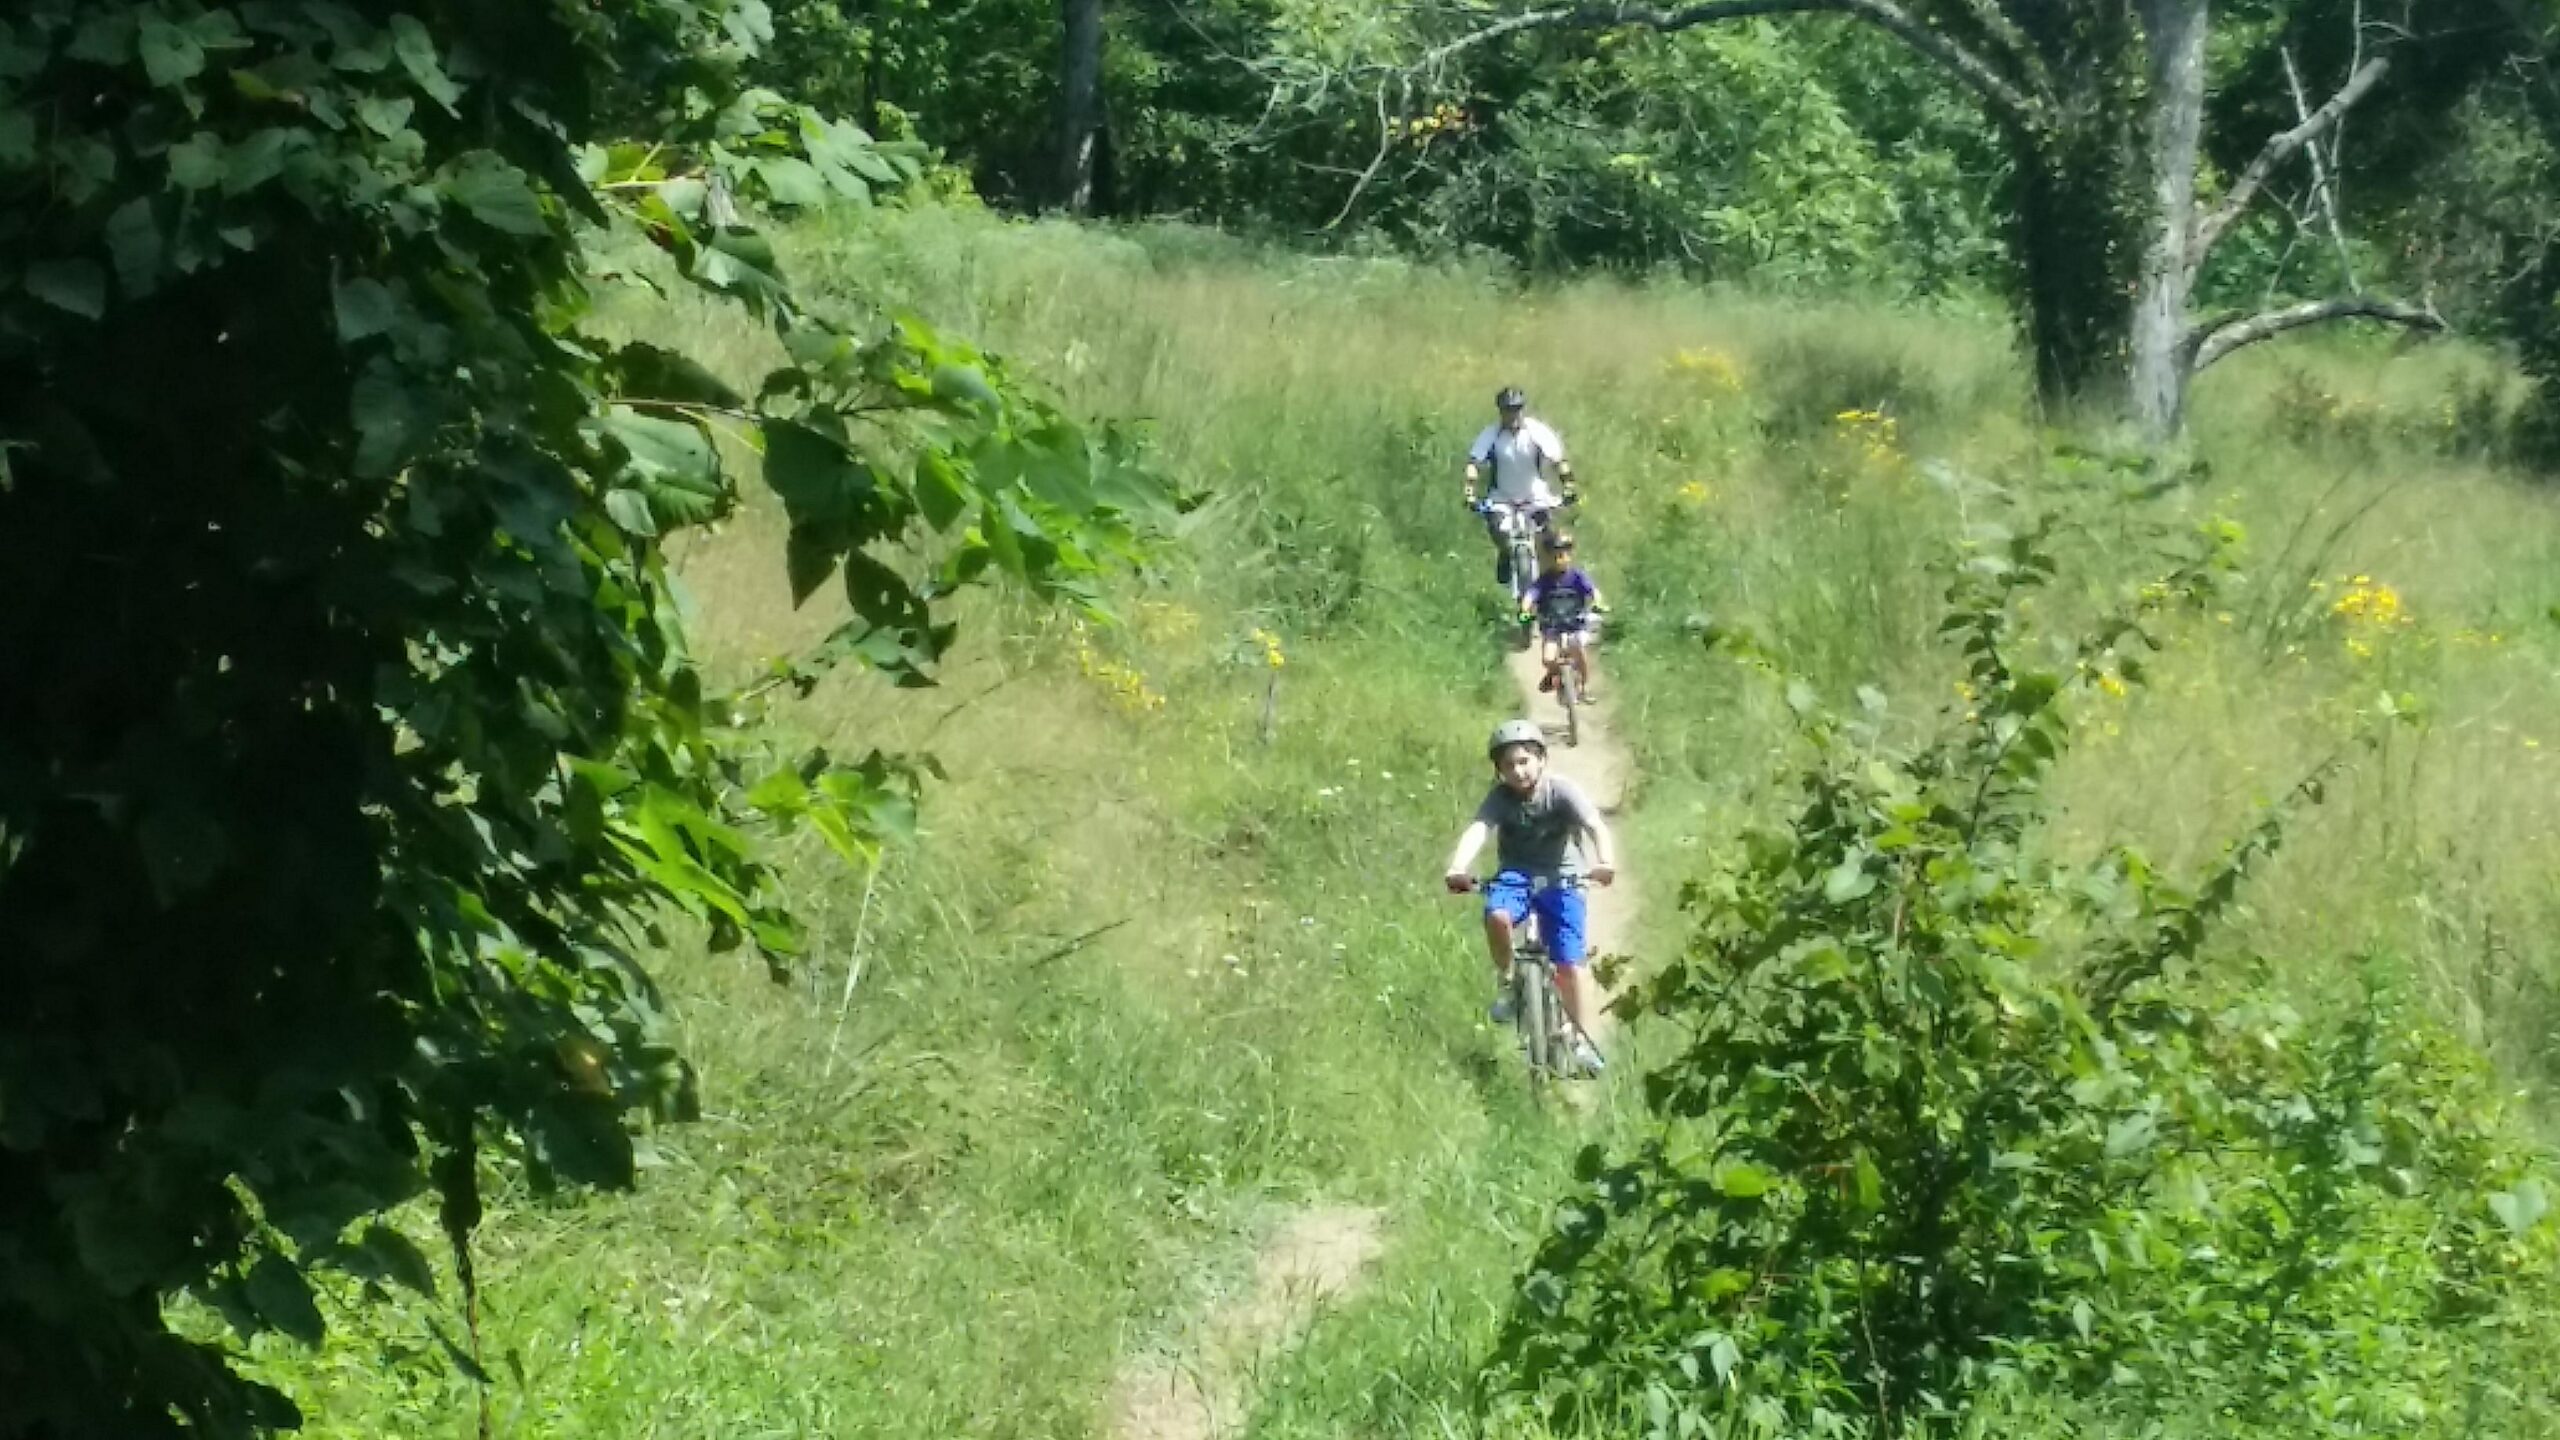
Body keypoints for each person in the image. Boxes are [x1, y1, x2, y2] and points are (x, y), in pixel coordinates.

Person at [1442, 719, 1617, 1072]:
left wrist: (1605, 861)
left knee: (1569, 964)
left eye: (1524, 761)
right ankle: (1508, 983)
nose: (1518, 771)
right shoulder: (1500, 799)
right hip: (1515, 876)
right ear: (1499, 771)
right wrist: (1458, 866)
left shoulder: (1561, 792)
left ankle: (1580, 1039)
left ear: (1541, 760)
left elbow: (1594, 825)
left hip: (1564, 876)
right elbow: (1479, 829)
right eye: (1508, 765)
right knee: (1497, 915)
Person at [1463, 387, 1573, 586]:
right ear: (1500, 411)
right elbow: (1474, 463)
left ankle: (1550, 587)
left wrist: (1568, 485)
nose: (1512, 415)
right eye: (1508, 410)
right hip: (1502, 496)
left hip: (1535, 495)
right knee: (1496, 526)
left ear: (1522, 410)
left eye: (1516, 410)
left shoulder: (1537, 432)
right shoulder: (1492, 434)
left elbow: (1558, 460)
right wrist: (1469, 492)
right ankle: (1505, 553)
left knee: (1546, 538)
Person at [1521, 528, 1604, 702]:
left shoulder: (1577, 577)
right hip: (1552, 626)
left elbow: (1592, 590)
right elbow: (1530, 595)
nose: (1559, 559)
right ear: (1548, 558)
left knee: (1578, 648)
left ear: (1569, 555)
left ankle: (1584, 687)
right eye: (1555, 555)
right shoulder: (1544, 581)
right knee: (1548, 658)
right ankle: (1553, 673)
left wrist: (1598, 602)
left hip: (1575, 623)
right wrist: (1525, 610)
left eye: (1563, 554)